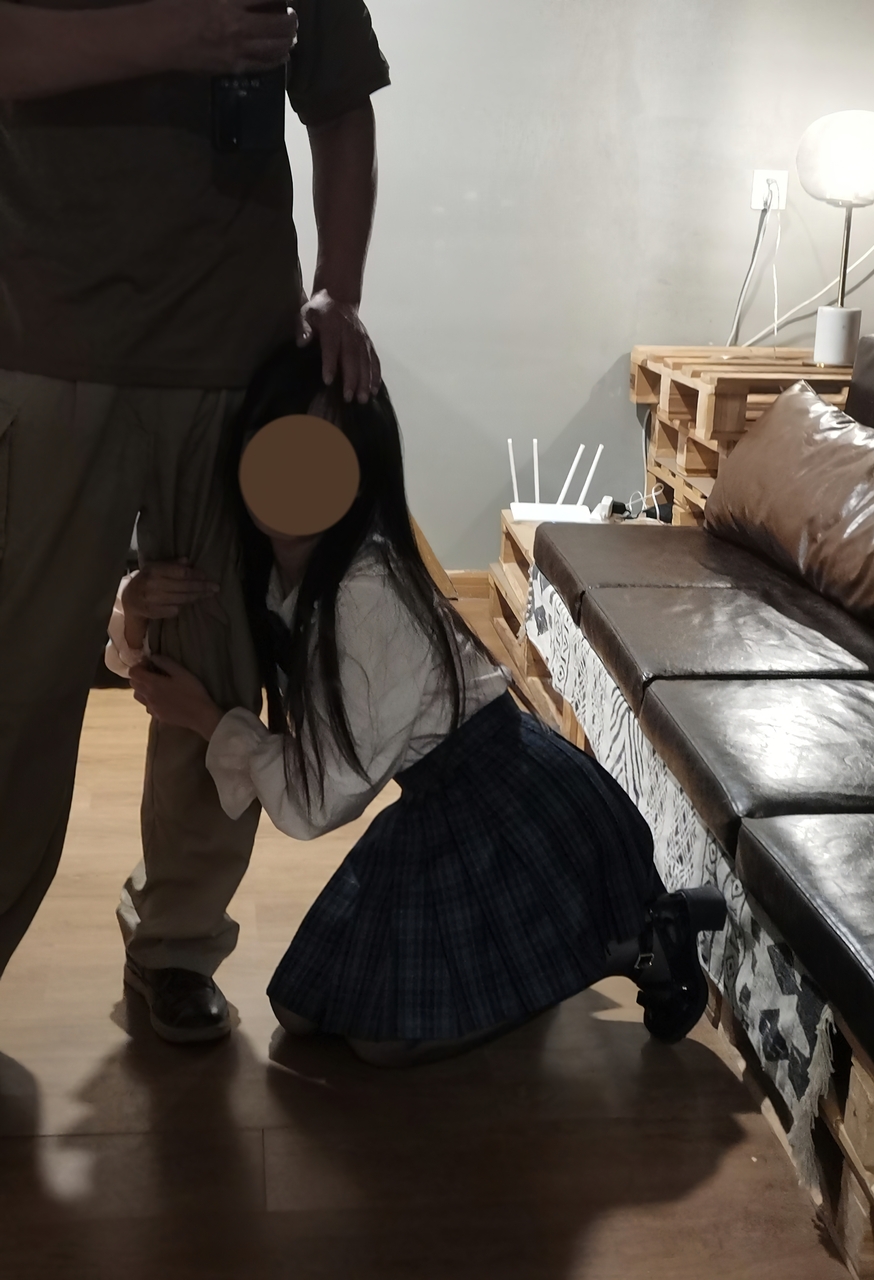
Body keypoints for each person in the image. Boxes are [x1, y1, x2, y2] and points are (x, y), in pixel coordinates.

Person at [123, 343, 727, 1063]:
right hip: (440, 805)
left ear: (359, 473)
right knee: (301, 1010)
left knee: (380, 1044)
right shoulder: (267, 565)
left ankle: (638, 936)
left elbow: (317, 804)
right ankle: (561, 944)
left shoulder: (366, 594)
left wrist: (206, 718)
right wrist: (136, 602)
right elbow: (138, 658)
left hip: (517, 808)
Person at [0, 0, 389, 1040]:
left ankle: (176, 946)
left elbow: (340, 102)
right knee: (19, 678)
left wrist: (337, 291)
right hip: (42, 338)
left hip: (236, 349)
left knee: (216, 663)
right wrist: (181, 38)